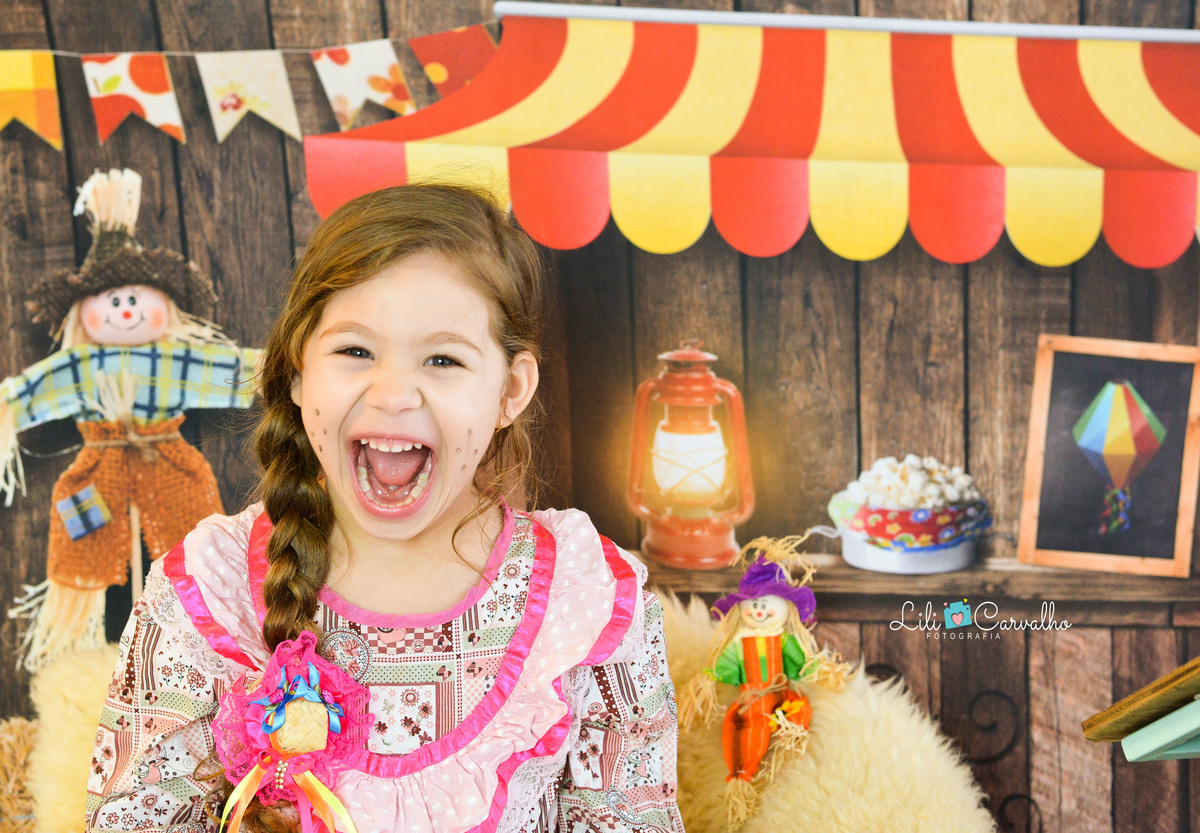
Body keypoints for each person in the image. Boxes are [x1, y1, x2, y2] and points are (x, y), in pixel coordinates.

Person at [84, 183, 683, 833]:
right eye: (356, 350)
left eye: (443, 358)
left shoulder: (583, 599)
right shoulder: (211, 588)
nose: (395, 392)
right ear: (295, 372)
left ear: (510, 390)